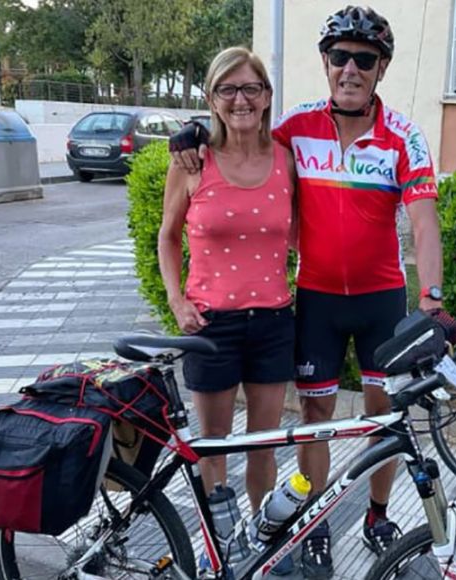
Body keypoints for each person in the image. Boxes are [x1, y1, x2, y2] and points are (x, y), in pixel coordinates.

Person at [169, 6, 447, 578]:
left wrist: (433, 299)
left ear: (381, 68)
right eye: (339, 56)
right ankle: (312, 523)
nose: (350, 68)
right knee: (315, 415)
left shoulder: (404, 138)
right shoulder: (294, 129)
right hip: (315, 298)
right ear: (325, 62)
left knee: (381, 413)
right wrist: (190, 133)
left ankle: (375, 514)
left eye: (363, 60)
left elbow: (424, 221)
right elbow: (235, 128)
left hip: (381, 299)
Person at [158, 46, 298, 575]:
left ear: (265, 97)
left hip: (273, 322)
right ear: (212, 99)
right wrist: (177, 300)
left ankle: (265, 544)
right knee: (212, 448)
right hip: (210, 326)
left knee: (263, 446)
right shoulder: (191, 161)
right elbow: (167, 239)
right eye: (227, 89)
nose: (241, 100)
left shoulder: (285, 158)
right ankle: (221, 545)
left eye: (251, 89)